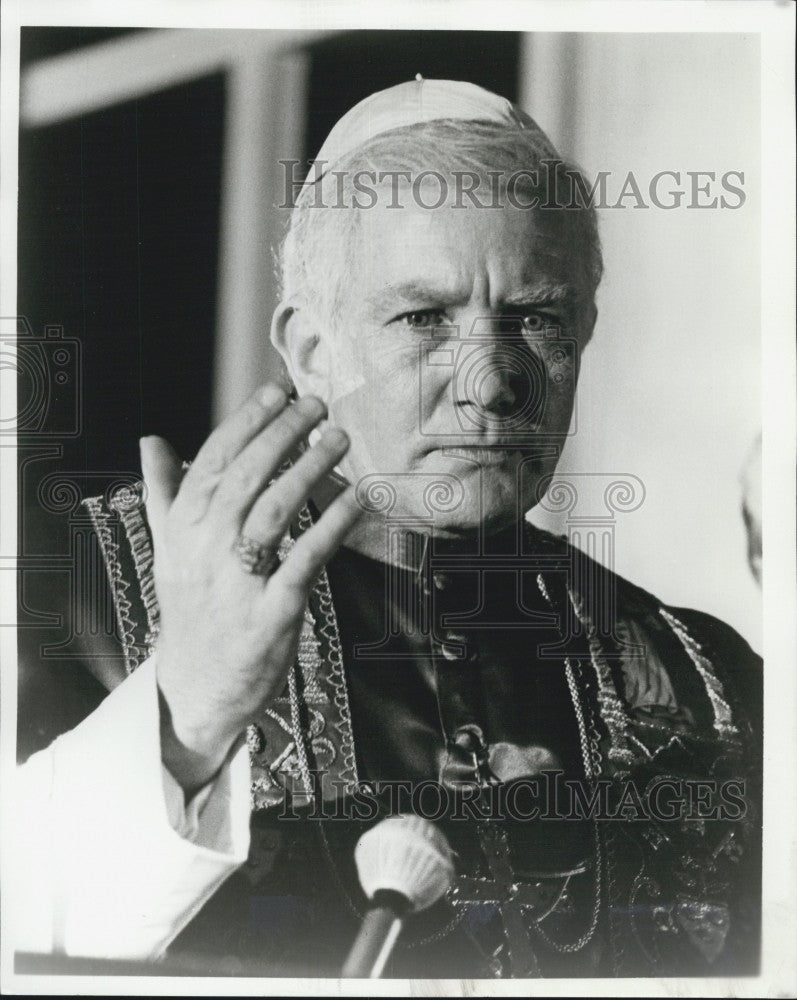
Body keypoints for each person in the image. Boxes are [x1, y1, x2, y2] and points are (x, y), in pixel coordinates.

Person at [15, 78, 762, 979]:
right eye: (422, 319)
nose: (491, 384)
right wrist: (187, 721)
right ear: (310, 351)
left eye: (535, 319)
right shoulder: (70, 595)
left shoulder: (706, 682)